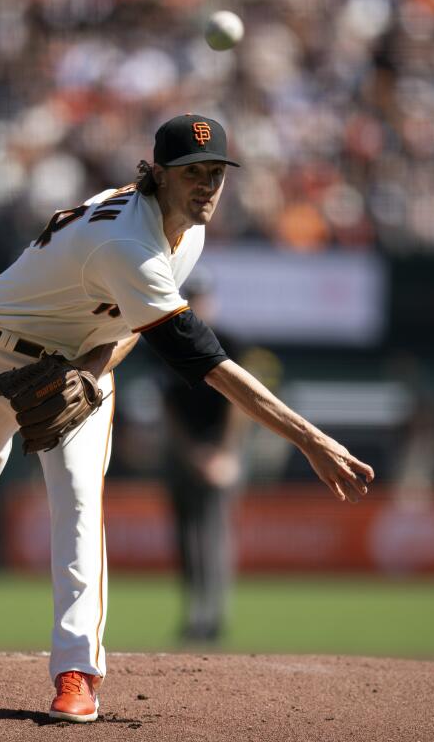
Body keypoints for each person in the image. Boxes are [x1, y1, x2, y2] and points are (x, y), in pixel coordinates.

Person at [0, 114, 374, 723]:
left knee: (80, 503)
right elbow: (208, 362)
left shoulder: (190, 233)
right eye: (193, 173)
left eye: (216, 173)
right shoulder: (127, 242)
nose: (208, 186)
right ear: (157, 174)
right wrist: (310, 439)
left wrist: (90, 365)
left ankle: (76, 671)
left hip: (78, 357)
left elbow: (135, 326)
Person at [159, 269, 246, 644]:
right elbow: (168, 407)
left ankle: (216, 613)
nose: (197, 304)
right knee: (185, 536)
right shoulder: (168, 343)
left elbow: (240, 404)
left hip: (220, 448)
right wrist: (191, 452)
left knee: (214, 533)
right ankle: (194, 612)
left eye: (202, 297)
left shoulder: (230, 342)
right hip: (185, 450)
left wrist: (224, 453)